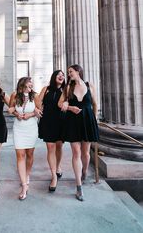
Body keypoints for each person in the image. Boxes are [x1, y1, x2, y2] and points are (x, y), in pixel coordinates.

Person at [58, 64, 99, 201]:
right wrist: (69, 107)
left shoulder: (89, 85)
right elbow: (60, 104)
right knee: (76, 152)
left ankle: (85, 171)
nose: (69, 74)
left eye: (71, 72)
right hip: (73, 122)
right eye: (68, 72)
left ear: (78, 71)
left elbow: (95, 104)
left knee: (86, 153)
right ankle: (79, 187)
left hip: (87, 121)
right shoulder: (68, 88)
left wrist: (94, 120)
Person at [9, 77, 42, 200]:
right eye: (28, 86)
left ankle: (27, 174)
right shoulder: (15, 95)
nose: (30, 88)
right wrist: (16, 114)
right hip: (18, 128)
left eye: (31, 86)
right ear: (22, 86)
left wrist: (31, 114)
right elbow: (11, 109)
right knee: (20, 155)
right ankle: (24, 185)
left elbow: (40, 111)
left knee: (29, 155)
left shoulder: (35, 96)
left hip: (31, 128)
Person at [38, 70, 66, 192]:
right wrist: (37, 111)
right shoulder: (46, 89)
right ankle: (54, 175)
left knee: (59, 147)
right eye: (59, 74)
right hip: (48, 121)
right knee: (50, 147)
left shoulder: (66, 90)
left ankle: (58, 166)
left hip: (61, 121)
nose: (61, 76)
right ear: (54, 77)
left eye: (63, 75)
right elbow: (38, 103)